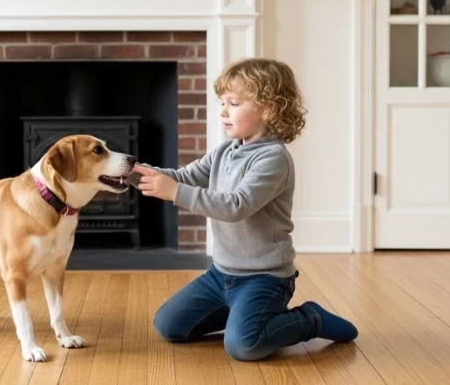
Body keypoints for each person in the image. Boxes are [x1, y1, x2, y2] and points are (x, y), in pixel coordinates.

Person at [131, 57, 358, 361]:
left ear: (269, 109)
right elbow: (185, 176)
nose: (223, 111)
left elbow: (236, 206)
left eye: (234, 104)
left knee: (244, 346)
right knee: (169, 325)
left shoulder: (273, 159)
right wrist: (132, 172)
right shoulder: (227, 150)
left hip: (264, 278)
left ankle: (310, 319)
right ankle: (242, 315)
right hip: (220, 274)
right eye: (222, 102)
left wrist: (175, 193)